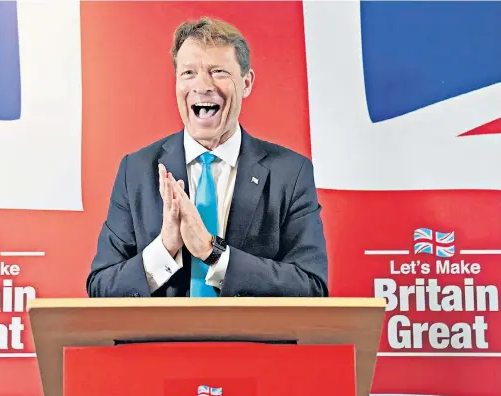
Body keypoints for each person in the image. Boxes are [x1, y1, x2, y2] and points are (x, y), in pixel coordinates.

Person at [86, 17, 328, 298]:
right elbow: (101, 288)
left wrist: (214, 253)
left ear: (246, 82)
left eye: (218, 72)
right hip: (163, 342)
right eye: (188, 73)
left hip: (248, 342)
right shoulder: (136, 171)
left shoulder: (290, 172)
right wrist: (165, 248)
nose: (202, 85)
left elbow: (311, 288)